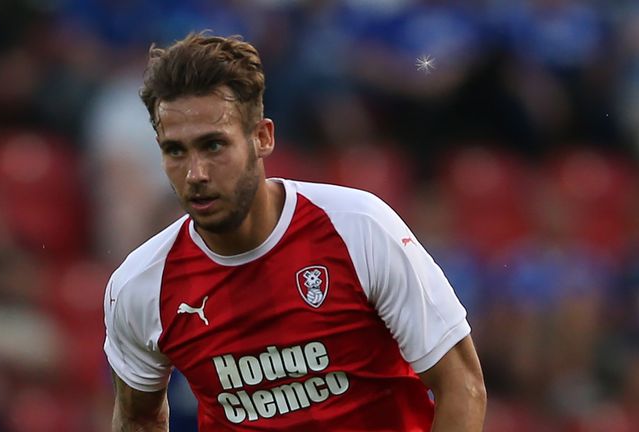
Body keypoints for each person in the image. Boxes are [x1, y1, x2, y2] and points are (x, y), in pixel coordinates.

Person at [103, 32, 487, 431]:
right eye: (175, 151)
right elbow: (137, 418)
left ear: (262, 138)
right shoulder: (141, 285)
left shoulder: (359, 229)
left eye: (214, 145)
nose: (195, 174)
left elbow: (461, 384)